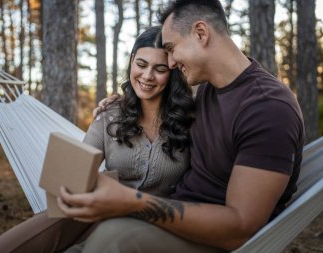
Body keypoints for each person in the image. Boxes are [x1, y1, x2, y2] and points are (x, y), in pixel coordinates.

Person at [59, 0, 305, 252]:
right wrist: (123, 102)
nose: (172, 62)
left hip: (214, 238)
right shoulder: (209, 91)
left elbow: (240, 228)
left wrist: (133, 202)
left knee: (111, 238)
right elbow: (161, 108)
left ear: (200, 33)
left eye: (171, 48)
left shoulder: (268, 108)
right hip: (174, 218)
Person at [0, 26, 195, 253]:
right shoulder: (110, 116)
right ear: (132, 60)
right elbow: (73, 176)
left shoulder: (190, 121)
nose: (147, 76)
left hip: (158, 225)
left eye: (159, 69)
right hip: (103, 215)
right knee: (55, 223)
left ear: (172, 71)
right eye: (141, 65)